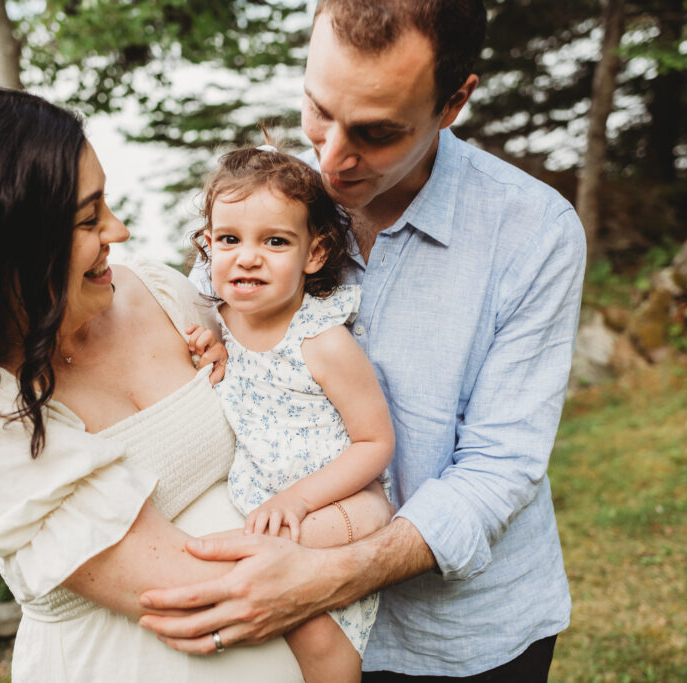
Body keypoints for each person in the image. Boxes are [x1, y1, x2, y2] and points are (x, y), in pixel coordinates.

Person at [0, 85, 393, 682]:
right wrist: (363, 529)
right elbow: (200, 596)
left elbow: (278, 383)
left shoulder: (157, 291)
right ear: (4, 248)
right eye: (88, 217)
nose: (120, 230)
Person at [141, 1, 587, 680]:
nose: (330, 158)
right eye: (318, 110)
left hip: (464, 635)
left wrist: (325, 576)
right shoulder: (268, 202)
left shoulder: (536, 233)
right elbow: (207, 321)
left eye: (376, 132)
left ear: (454, 102)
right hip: (286, 633)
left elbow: (500, 466)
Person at [188, 145, 395, 682]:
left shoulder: (321, 342)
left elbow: (374, 443)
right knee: (277, 625)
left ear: (315, 253)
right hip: (264, 509)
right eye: (229, 239)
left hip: (340, 506)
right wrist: (210, 355)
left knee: (309, 628)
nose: (247, 256)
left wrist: (298, 501)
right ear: (208, 245)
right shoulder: (215, 325)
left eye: (274, 241)